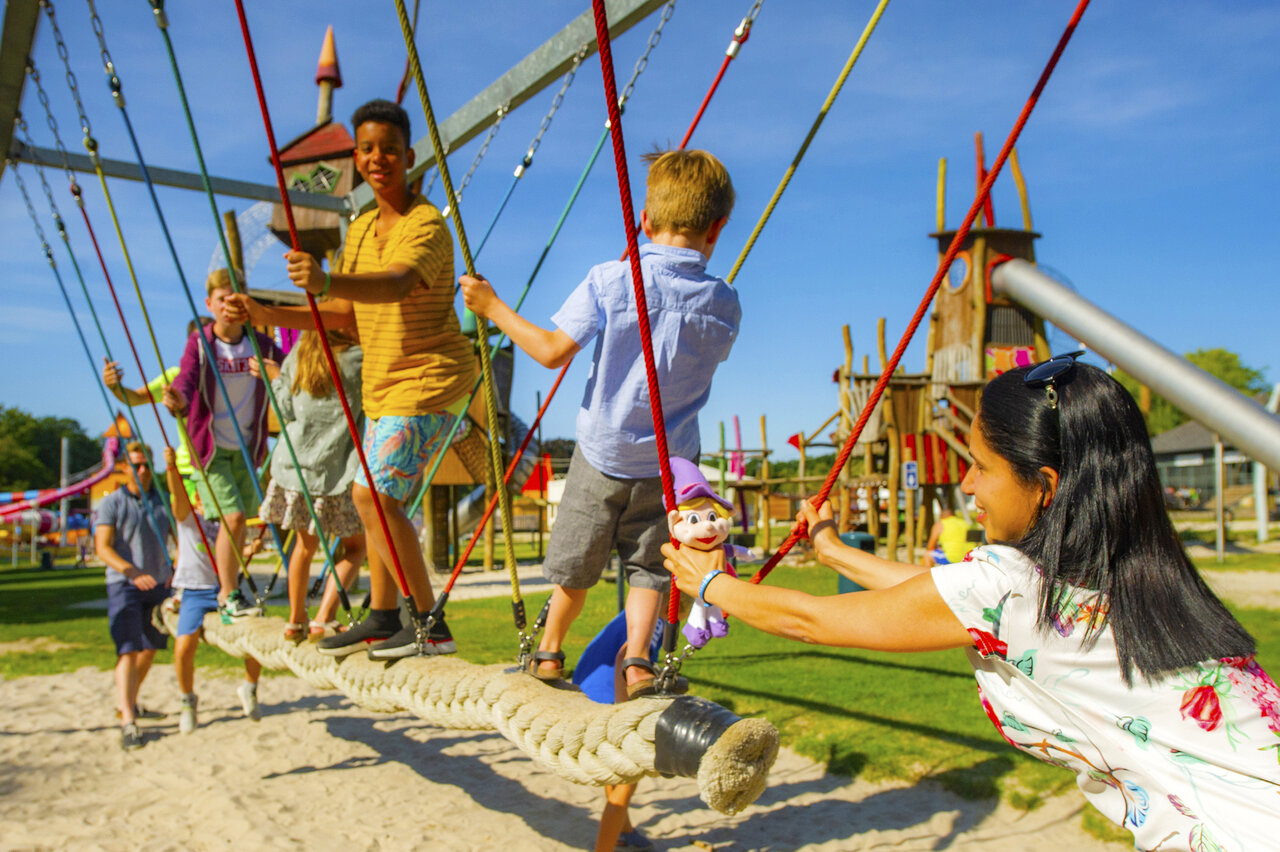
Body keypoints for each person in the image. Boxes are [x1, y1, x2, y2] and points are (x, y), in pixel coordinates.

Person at [664, 356, 1280, 850]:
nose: (965, 485)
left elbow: (813, 620)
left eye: (981, 467)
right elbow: (947, 596)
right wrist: (835, 552)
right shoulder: (1137, 570)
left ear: (1045, 486)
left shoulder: (1008, 588)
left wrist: (708, 583)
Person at [461, 148, 740, 699]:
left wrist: (491, 307)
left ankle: (548, 652)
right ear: (718, 228)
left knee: (574, 565)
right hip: (670, 466)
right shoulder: (724, 303)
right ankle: (637, 661)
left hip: (602, 453)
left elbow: (550, 351)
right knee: (650, 571)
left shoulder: (613, 280)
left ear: (645, 222)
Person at [225, 99, 476, 659]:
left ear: (408, 156)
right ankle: (384, 615)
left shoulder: (426, 223)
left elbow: (394, 285)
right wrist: (267, 315)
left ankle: (429, 624)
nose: (378, 157)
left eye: (389, 148)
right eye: (367, 149)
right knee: (370, 504)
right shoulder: (359, 228)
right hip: (385, 387)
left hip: (431, 378)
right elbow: (343, 315)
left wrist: (325, 277)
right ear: (356, 159)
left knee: (374, 494)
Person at [163, 270, 283, 618]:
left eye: (235, 300)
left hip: (248, 447)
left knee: (242, 521)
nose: (229, 307)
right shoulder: (201, 344)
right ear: (209, 305)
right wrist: (179, 401)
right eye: (222, 300)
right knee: (231, 519)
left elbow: (287, 369)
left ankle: (231, 588)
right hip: (210, 449)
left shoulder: (259, 345)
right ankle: (227, 594)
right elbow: (186, 379)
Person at [250, 327, 366, 642]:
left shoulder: (301, 351)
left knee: (303, 547)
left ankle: (295, 619)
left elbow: (285, 409)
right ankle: (323, 618)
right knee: (356, 547)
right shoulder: (358, 358)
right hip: (335, 470)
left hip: (296, 467)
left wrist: (275, 376)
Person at [161, 446, 262, 733]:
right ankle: (187, 700)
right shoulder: (187, 518)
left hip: (223, 589)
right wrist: (171, 468)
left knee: (252, 638)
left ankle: (250, 688)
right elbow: (179, 496)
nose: (203, 501)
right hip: (194, 591)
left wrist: (249, 551)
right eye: (199, 496)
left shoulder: (226, 520)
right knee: (183, 648)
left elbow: (232, 561)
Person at [94, 441, 172, 751]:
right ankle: (128, 718)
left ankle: (130, 701)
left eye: (146, 465)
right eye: (136, 465)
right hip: (124, 583)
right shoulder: (111, 502)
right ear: (125, 467)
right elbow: (103, 547)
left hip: (158, 582)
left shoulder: (163, 500)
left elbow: (182, 534)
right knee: (127, 649)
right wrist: (131, 572)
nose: (142, 470)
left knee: (150, 648)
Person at [102, 315, 213, 478]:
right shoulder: (176, 377)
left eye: (210, 342)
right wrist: (115, 387)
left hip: (228, 465)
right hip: (190, 470)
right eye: (198, 343)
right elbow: (135, 398)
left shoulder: (233, 377)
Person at [923, 501, 976, 566]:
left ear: (941, 517)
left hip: (953, 557)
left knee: (928, 554)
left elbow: (930, 547)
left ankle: (929, 575)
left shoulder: (940, 524)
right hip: (969, 557)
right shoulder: (965, 523)